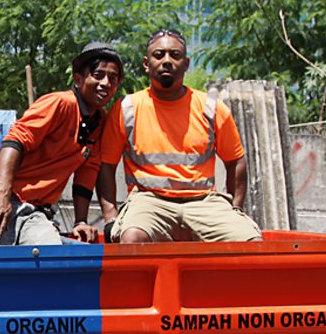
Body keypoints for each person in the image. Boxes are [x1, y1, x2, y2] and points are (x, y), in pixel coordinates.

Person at [96, 29, 262, 243]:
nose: (167, 61)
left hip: (204, 202)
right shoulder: (127, 108)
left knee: (251, 242)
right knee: (133, 237)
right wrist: (111, 217)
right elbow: (106, 165)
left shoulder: (211, 108)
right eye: (159, 55)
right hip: (149, 201)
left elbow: (236, 160)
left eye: (175, 55)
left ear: (186, 63)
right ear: (146, 64)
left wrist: (236, 208)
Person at [0, 42, 123, 246]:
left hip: (34, 212)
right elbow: (14, 141)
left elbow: (86, 175)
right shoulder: (60, 103)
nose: (106, 83)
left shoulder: (100, 122)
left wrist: (80, 221)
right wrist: (2, 195)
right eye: (98, 75)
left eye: (113, 79)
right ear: (78, 79)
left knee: (51, 259)